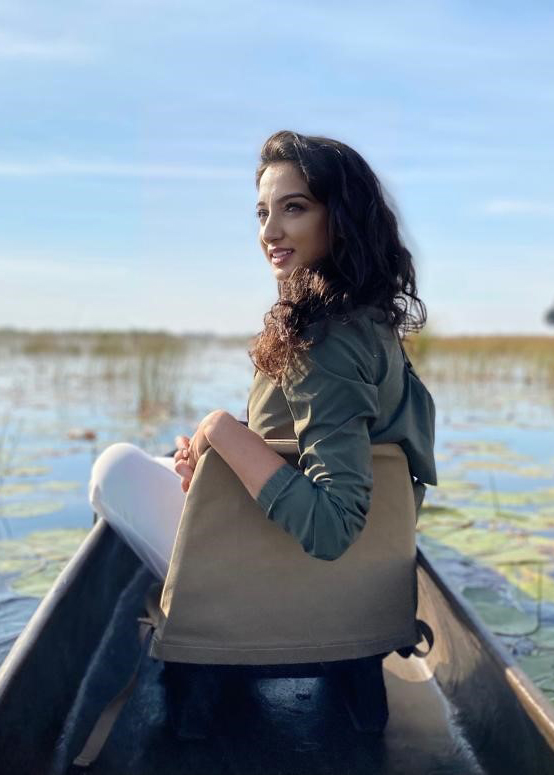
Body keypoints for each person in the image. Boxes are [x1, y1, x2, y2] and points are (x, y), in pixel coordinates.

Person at [88, 130, 436, 738]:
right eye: (262, 212)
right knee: (167, 463)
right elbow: (320, 443)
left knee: (115, 468)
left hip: (284, 577)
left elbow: (332, 526)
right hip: (352, 589)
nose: (269, 231)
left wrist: (221, 429)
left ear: (341, 217)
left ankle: (205, 635)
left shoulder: (324, 343)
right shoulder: (368, 323)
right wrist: (219, 460)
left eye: (293, 208)